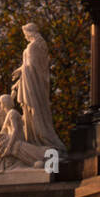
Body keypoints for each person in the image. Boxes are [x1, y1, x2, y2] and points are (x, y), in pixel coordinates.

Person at [11, 23, 66, 152]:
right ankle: (39, 138)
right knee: (36, 112)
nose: (25, 37)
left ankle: (40, 139)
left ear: (30, 32)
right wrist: (20, 72)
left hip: (32, 87)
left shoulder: (32, 47)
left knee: (34, 112)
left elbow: (31, 67)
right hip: (34, 84)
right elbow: (32, 66)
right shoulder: (40, 46)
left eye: (25, 34)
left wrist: (21, 72)